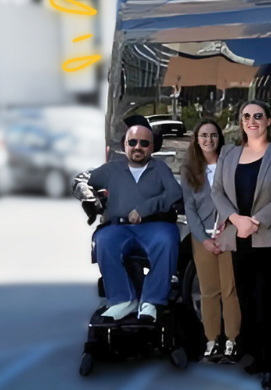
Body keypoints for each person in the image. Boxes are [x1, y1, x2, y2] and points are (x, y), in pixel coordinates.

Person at [211, 100, 271, 390]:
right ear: (241, 122)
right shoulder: (229, 153)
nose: (252, 120)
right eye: (246, 116)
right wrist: (237, 219)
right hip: (239, 237)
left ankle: (270, 364)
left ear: (269, 120)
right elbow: (217, 191)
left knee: (270, 302)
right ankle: (257, 358)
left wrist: (257, 221)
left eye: (258, 116)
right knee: (248, 299)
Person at [85, 116, 183, 323]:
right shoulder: (112, 169)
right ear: (125, 145)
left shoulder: (160, 169)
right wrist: (88, 196)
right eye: (133, 142)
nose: (138, 147)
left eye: (144, 143)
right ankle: (122, 299)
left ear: (152, 147)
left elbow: (175, 194)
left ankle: (151, 301)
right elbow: (84, 180)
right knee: (104, 240)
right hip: (119, 227)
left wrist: (145, 208)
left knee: (167, 240)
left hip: (154, 226)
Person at [181, 118, 241, 363]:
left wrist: (229, 227)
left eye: (213, 135)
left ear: (220, 139)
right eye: (203, 135)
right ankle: (211, 340)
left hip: (228, 235)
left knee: (230, 290)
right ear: (196, 139)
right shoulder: (189, 170)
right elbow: (190, 209)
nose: (208, 140)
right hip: (203, 237)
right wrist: (204, 240)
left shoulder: (230, 165)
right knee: (208, 291)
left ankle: (232, 341)